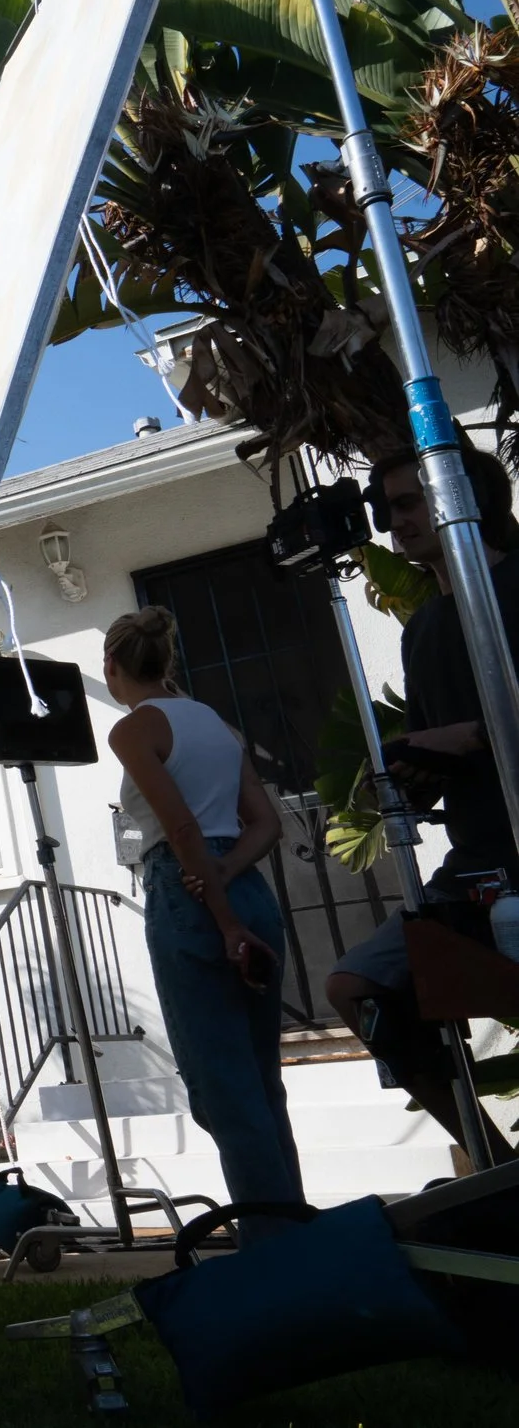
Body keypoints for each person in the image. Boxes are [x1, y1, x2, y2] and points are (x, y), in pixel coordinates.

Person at [328, 444, 519, 1161]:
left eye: (408, 503)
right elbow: (443, 752)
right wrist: (415, 773)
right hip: (477, 865)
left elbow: (482, 729)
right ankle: (495, 1166)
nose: (392, 522)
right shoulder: (425, 629)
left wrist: (466, 735)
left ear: (461, 497)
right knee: (358, 986)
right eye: (386, 508)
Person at [105, 607, 305, 1242]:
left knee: (221, 1085)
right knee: (261, 1078)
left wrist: (217, 911)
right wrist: (225, 875)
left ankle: (273, 1247)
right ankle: (295, 1228)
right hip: (248, 890)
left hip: (189, 895)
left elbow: (181, 827)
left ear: (112, 669)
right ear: (167, 663)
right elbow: (267, 824)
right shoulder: (216, 725)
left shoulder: (134, 731)